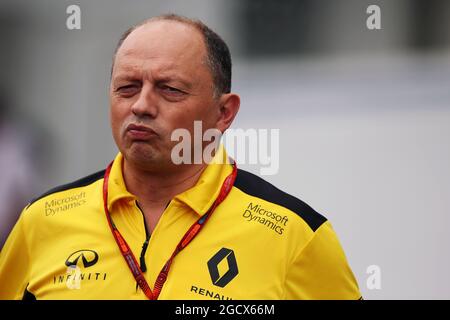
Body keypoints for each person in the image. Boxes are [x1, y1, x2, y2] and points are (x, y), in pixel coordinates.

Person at [0, 14, 361, 300]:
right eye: (127, 87)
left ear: (223, 114)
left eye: (169, 89)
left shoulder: (294, 235)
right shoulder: (43, 221)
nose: (141, 105)